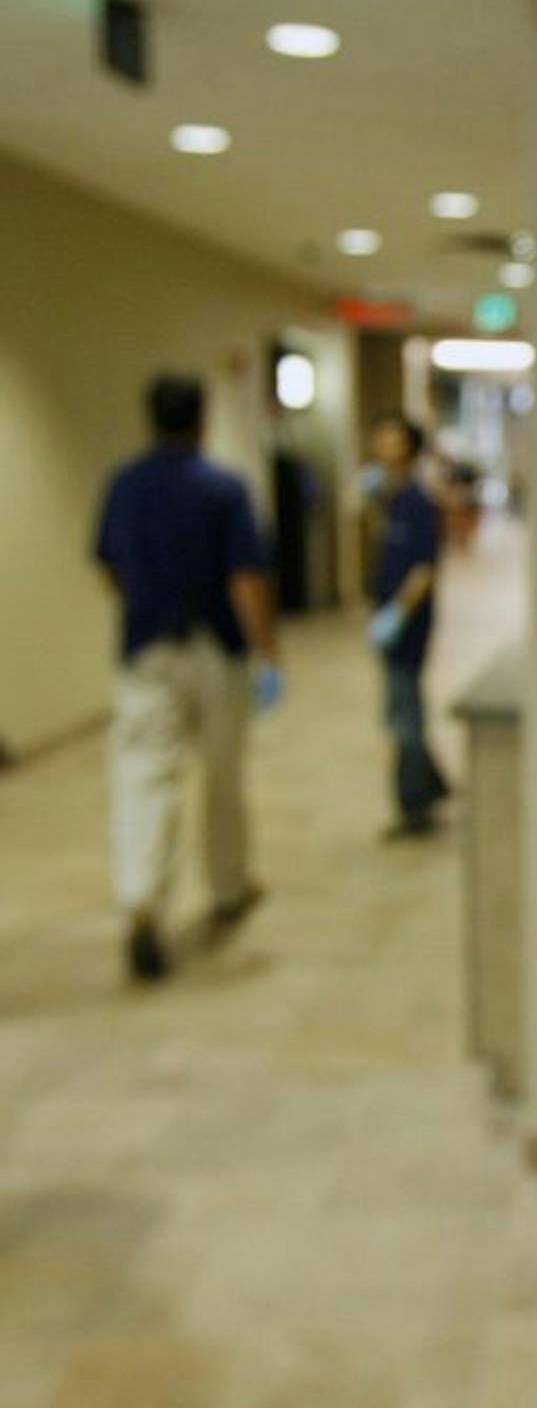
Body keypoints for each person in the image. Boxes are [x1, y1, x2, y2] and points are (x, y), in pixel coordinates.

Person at [94, 373, 280, 983]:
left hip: (146, 648)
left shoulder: (123, 483)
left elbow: (109, 565)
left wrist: (143, 606)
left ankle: (142, 901)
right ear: (201, 422)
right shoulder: (222, 488)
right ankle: (228, 887)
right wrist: (268, 652)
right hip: (213, 650)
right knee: (222, 775)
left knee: (144, 775)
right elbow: (244, 578)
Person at [366, 414, 450, 835]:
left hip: (408, 625)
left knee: (405, 716)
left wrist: (397, 613)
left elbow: (423, 567)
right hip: (392, 619)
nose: (380, 443)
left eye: (391, 438)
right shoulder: (392, 499)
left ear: (409, 449)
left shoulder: (418, 501)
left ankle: (416, 806)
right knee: (400, 709)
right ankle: (432, 785)